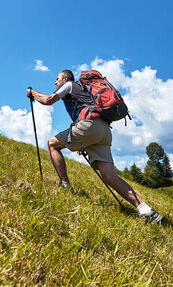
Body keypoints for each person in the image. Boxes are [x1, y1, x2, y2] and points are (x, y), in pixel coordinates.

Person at [27, 69, 163, 224]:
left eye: (57, 79)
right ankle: (145, 210)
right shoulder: (83, 92)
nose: (55, 82)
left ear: (64, 79)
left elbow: (48, 100)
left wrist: (32, 93)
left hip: (90, 126)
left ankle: (65, 185)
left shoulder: (69, 85)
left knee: (52, 144)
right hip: (104, 130)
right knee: (110, 176)